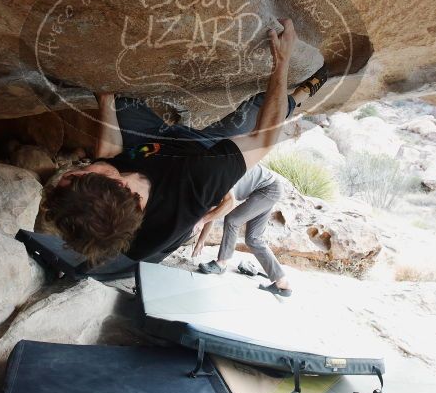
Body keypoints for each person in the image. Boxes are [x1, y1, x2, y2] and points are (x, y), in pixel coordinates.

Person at [44, 19, 336, 265]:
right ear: (122, 185)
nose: (82, 167)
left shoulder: (108, 216)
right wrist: (282, 62)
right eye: (82, 171)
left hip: (152, 146)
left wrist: (106, 100)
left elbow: (109, 156)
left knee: (118, 100)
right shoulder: (197, 181)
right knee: (260, 109)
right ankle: (301, 95)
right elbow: (265, 137)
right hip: (201, 149)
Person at [192, 165, 291, 296]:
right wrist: (201, 240)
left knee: (232, 220)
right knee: (253, 238)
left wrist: (202, 221)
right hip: (267, 187)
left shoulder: (219, 176)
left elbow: (229, 204)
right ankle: (282, 283)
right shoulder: (211, 185)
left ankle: (221, 263)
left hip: (269, 188)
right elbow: (212, 212)